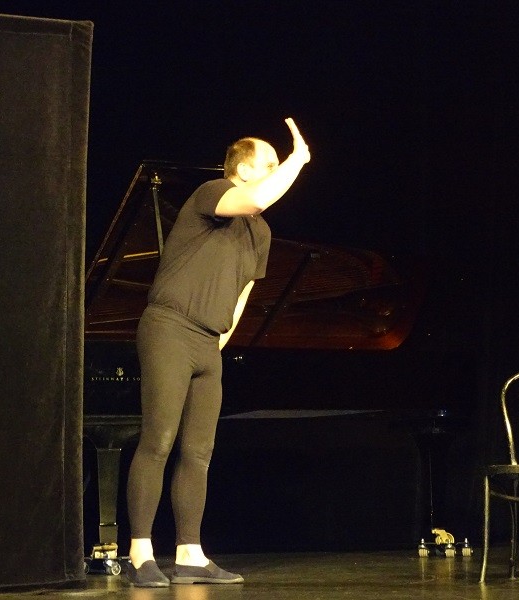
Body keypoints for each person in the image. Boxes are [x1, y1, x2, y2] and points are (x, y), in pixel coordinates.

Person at [124, 118, 311, 587]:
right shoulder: (213, 193)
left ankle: (190, 554)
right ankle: (140, 553)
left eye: (279, 164)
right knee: (159, 439)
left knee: (199, 451)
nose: (276, 171)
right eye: (269, 164)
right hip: (169, 327)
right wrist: (298, 160)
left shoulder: (260, 233)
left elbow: (243, 290)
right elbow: (259, 198)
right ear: (242, 170)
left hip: (209, 342)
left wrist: (222, 338)